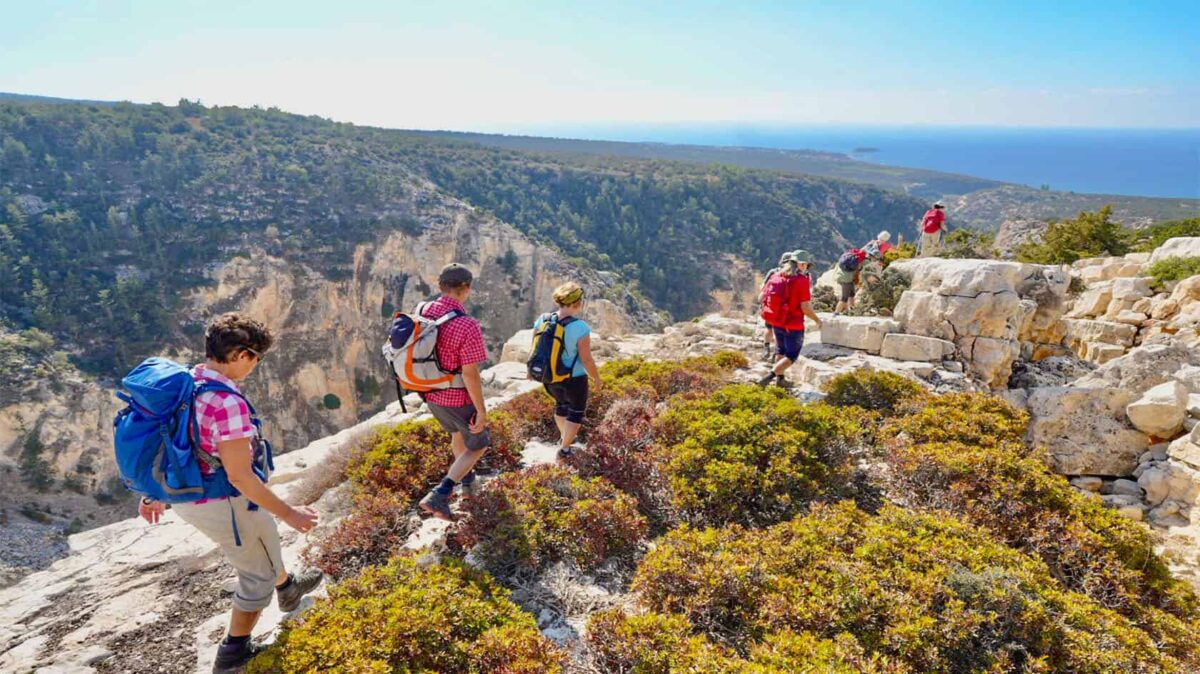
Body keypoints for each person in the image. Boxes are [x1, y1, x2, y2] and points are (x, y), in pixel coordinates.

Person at [137, 313, 323, 673]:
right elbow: (239, 477)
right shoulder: (226, 403)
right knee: (256, 574)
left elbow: (172, 443)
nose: (255, 366)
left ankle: (287, 588)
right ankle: (233, 652)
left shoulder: (186, 382)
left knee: (263, 535)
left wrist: (154, 492)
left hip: (187, 493)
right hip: (222, 499)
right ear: (241, 355)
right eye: (256, 358)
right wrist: (291, 513)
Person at [417, 263, 492, 522]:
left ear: (440, 286)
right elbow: (469, 373)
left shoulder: (422, 311)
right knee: (479, 443)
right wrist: (481, 410)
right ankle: (442, 492)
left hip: (430, 393)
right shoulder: (466, 324)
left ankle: (469, 482)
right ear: (466, 289)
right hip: (457, 397)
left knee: (456, 435)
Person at [532, 282, 603, 460]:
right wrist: (596, 378)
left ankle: (566, 440)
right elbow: (586, 358)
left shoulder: (543, 319)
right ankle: (564, 449)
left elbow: (534, 348)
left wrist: (531, 371)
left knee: (561, 406)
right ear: (577, 304)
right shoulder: (580, 327)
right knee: (576, 412)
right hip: (574, 378)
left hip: (548, 376)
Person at [758, 253, 822, 387]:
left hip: (777, 321)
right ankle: (769, 376)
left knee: (780, 350)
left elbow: (762, 296)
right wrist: (817, 320)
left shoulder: (776, 276)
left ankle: (780, 380)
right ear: (802, 264)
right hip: (793, 324)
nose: (806, 267)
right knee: (791, 356)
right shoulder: (802, 280)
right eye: (806, 264)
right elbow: (805, 307)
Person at [758, 251, 792, 361]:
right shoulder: (794, 275)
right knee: (780, 331)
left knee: (769, 328)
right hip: (785, 308)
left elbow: (763, 287)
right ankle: (776, 353)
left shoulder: (773, 272)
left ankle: (766, 348)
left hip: (771, 305)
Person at [834, 248, 867, 315]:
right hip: (847, 280)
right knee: (844, 297)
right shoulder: (858, 261)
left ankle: (852, 310)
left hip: (844, 278)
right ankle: (836, 313)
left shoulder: (851, 256)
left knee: (851, 294)